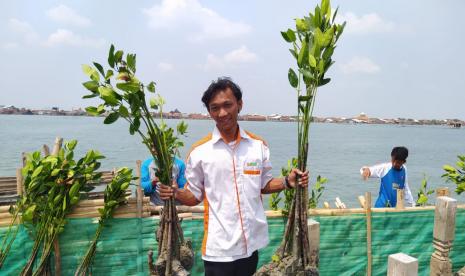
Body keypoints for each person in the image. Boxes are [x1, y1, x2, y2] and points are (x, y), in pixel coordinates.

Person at [159, 77, 309, 276]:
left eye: (227, 105)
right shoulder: (199, 152)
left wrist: (287, 182)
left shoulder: (258, 146)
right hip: (218, 249)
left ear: (239, 104)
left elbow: (263, 185)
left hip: (251, 245)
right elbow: (194, 196)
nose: (222, 113)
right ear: (209, 112)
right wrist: (175, 192)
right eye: (215, 108)